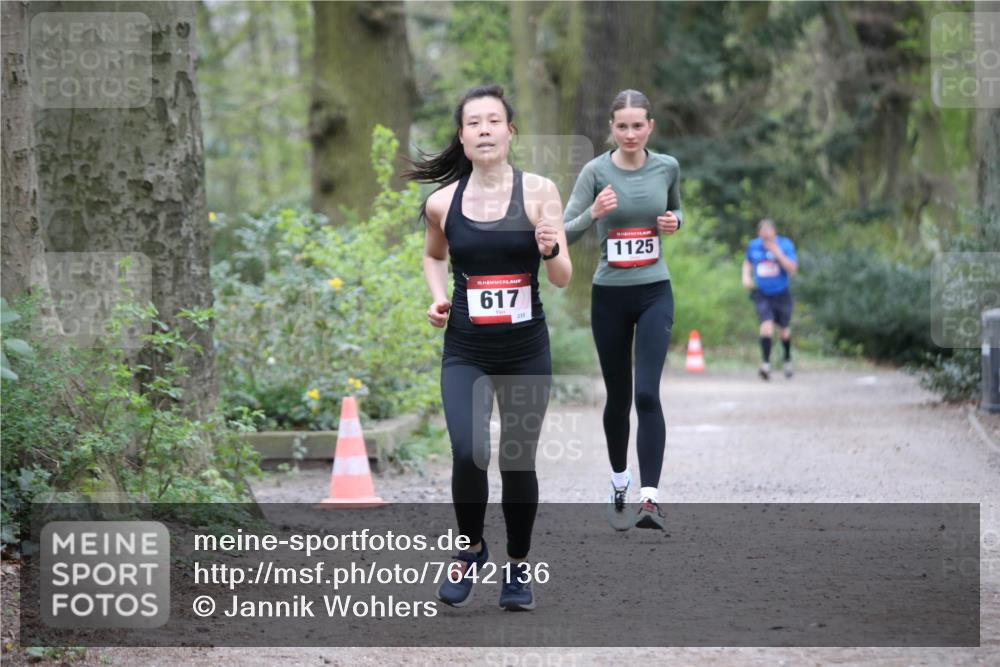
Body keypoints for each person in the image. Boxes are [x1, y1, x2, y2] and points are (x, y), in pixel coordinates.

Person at [405, 84, 571, 611]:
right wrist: (437, 300)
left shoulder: (540, 190)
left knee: (518, 461)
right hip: (466, 349)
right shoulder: (442, 202)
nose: (483, 129)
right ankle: (470, 549)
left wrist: (549, 250)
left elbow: (563, 277)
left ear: (509, 132)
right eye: (472, 122)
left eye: (493, 121)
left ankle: (518, 568)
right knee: (467, 451)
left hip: (525, 348)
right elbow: (435, 257)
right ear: (461, 136)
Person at [562, 89, 682, 531]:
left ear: (650, 126)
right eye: (622, 126)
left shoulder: (667, 166)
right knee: (618, 395)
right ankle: (619, 480)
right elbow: (562, 234)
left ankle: (649, 498)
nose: (630, 133)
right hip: (609, 295)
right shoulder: (595, 172)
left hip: (655, 291)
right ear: (611, 128)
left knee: (647, 393)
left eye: (638, 125)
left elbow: (676, 209)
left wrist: (675, 222)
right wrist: (593, 212)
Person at [741, 218, 798, 381]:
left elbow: (792, 268)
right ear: (759, 233)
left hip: (781, 293)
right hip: (762, 293)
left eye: (769, 234)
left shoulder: (785, 244)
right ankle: (765, 364)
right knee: (766, 326)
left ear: (774, 232)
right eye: (763, 234)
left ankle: (787, 359)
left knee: (784, 331)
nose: (766, 237)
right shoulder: (754, 245)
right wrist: (745, 276)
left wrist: (777, 252)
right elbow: (747, 261)